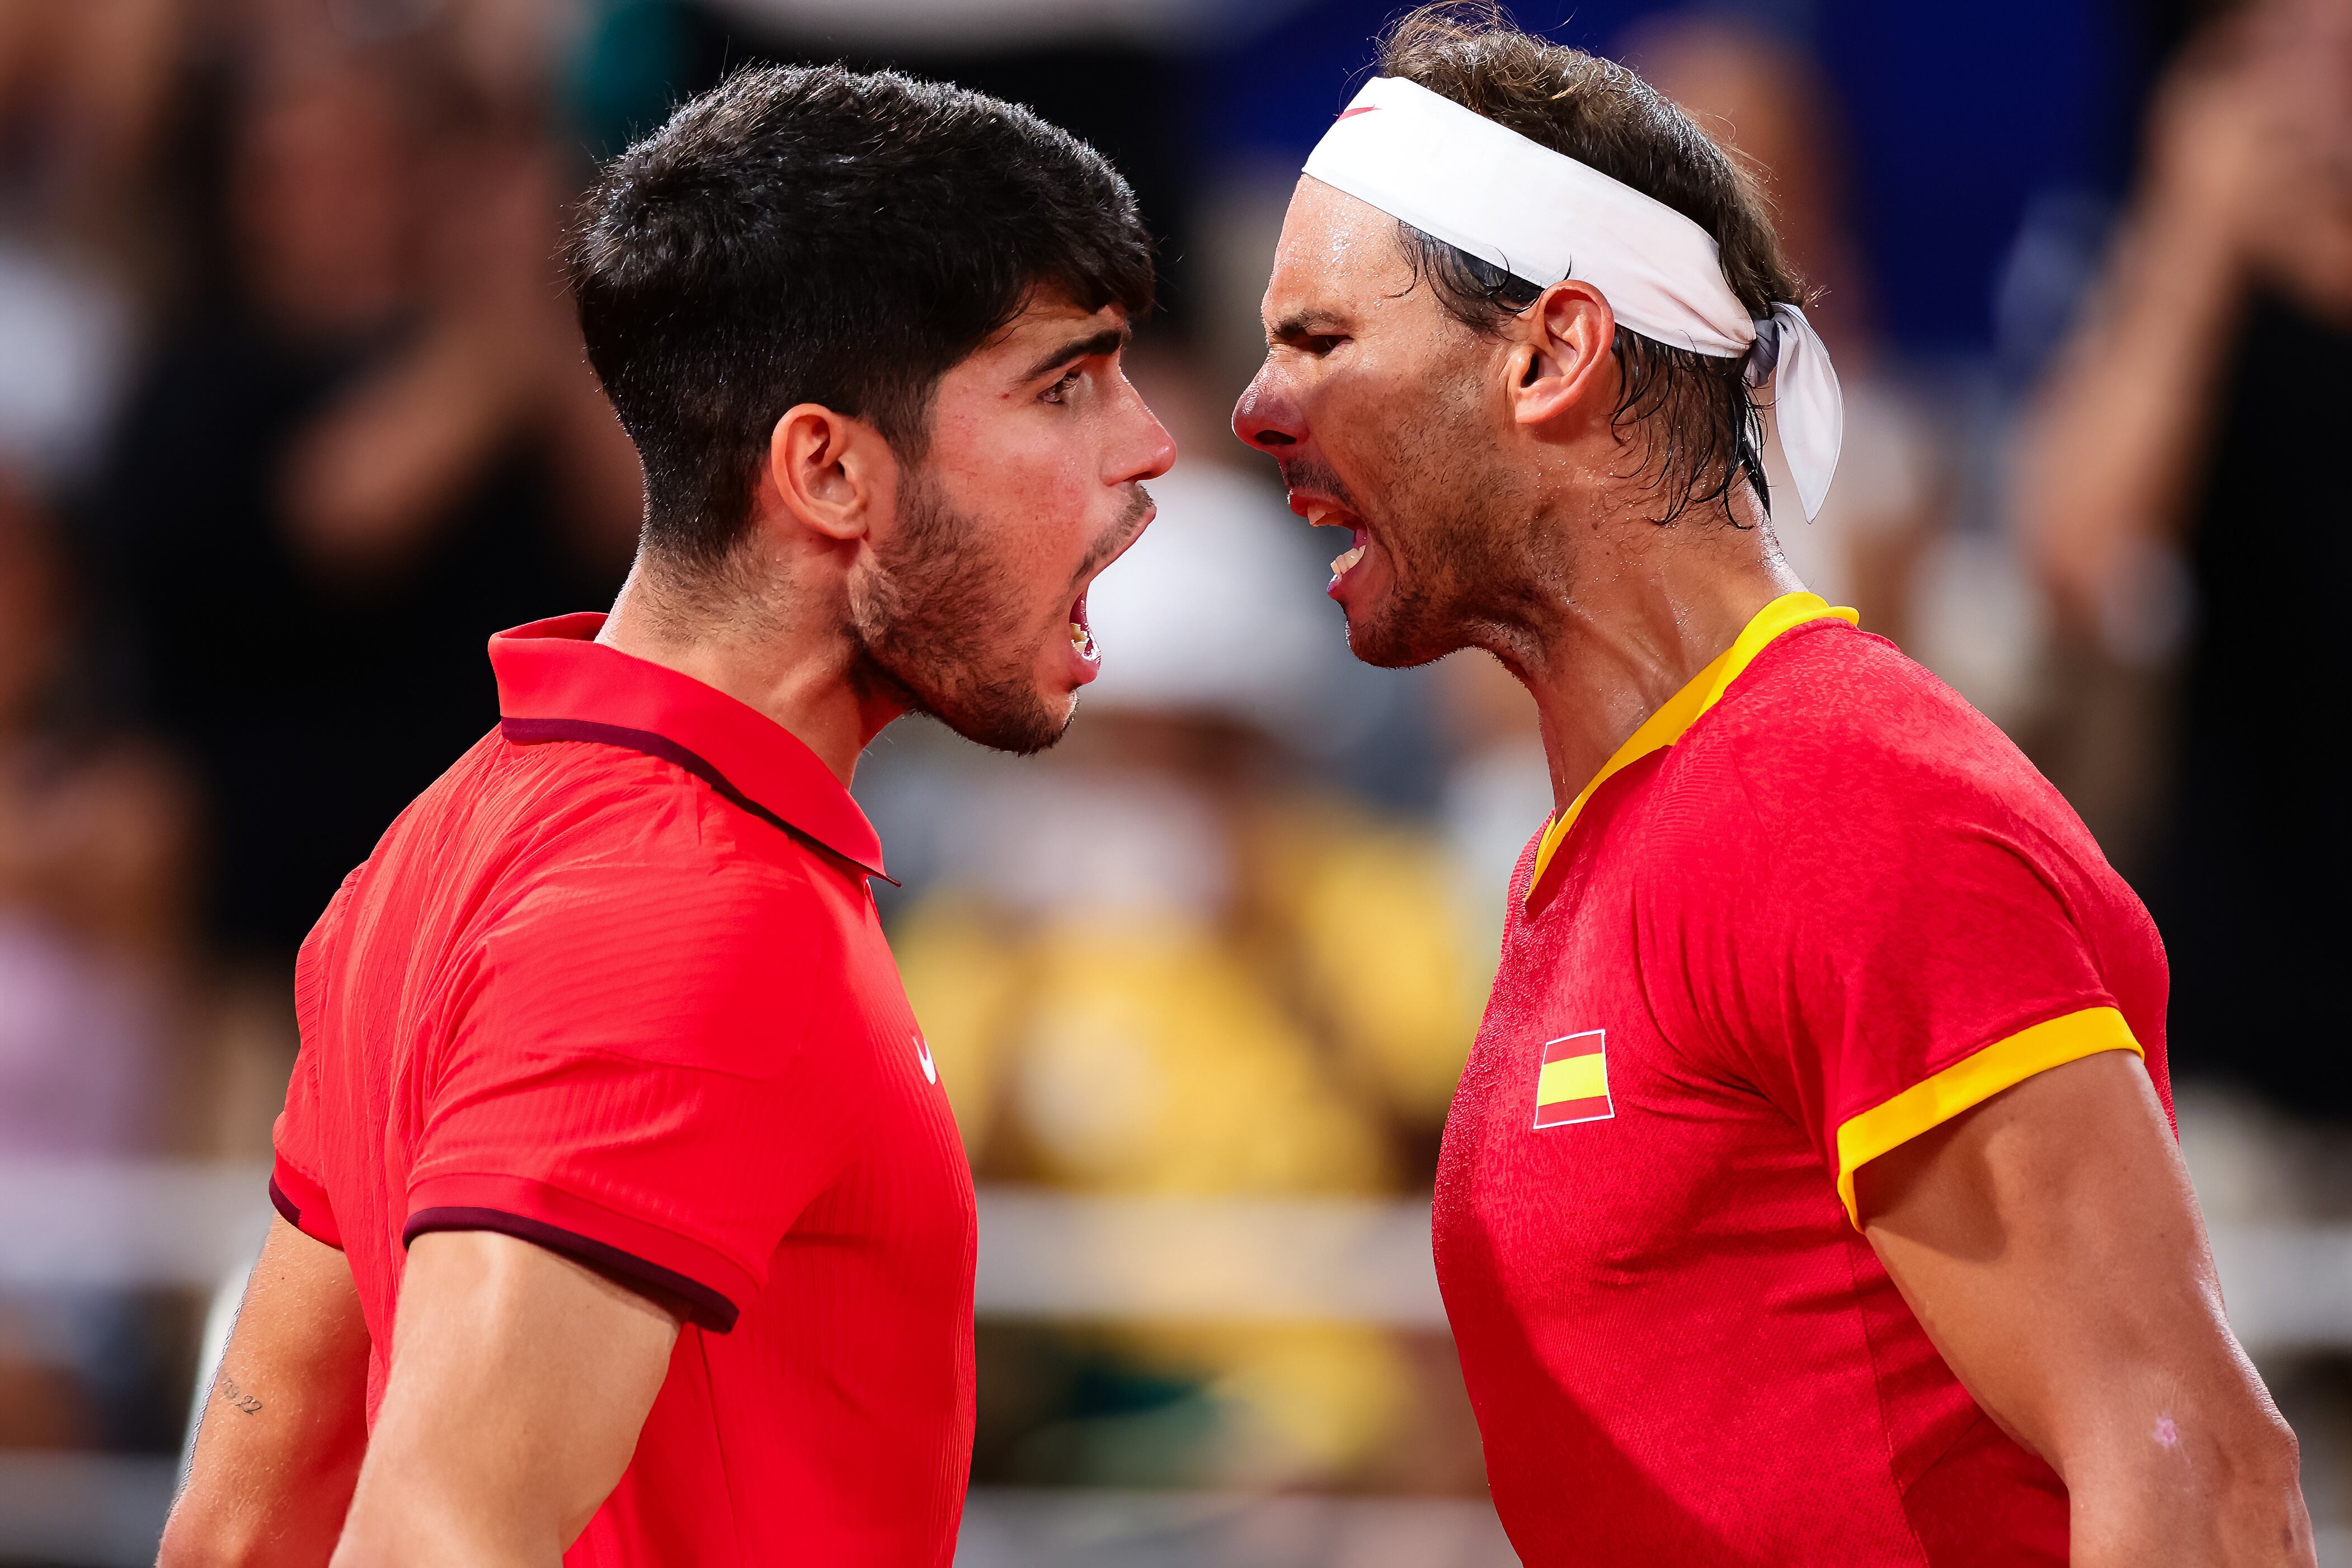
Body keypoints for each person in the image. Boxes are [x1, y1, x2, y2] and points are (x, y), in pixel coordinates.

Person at [1229, 8, 2313, 1565]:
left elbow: (2198, 1481)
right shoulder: (1642, 829)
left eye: (1321, 340)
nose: (1255, 407)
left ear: (1550, 353)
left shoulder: (1843, 801)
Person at [159, 60, 1172, 1566]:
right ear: (826, 468)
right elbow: (439, 1537)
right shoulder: (691, 909)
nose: (1147, 445)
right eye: (1063, 383)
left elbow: (244, 1528)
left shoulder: (452, 833)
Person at [2019, 0, 2352, 1126]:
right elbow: (2077, 556)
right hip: (2245, 1023)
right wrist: (2187, 245)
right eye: (2272, 56)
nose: (2313, 99)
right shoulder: (2185, 291)